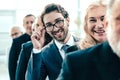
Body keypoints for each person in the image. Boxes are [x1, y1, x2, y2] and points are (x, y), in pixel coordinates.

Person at [57, 0, 120, 80]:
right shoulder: (75, 58)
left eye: (102, 19)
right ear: (86, 25)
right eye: (93, 20)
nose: (100, 25)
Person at [32, 3, 79, 80]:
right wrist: (37, 50)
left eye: (58, 21)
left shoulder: (86, 45)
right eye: (49, 25)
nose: (55, 29)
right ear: (45, 29)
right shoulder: (44, 53)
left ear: (67, 20)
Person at [15, 16, 52, 80]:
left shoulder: (58, 46)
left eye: (44, 25)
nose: (39, 28)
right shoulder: (26, 48)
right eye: (37, 25)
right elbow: (19, 76)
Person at [8, 14, 36, 80]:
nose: (29, 25)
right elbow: (12, 65)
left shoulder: (43, 38)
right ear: (23, 25)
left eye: (32, 22)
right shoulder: (16, 42)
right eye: (27, 23)